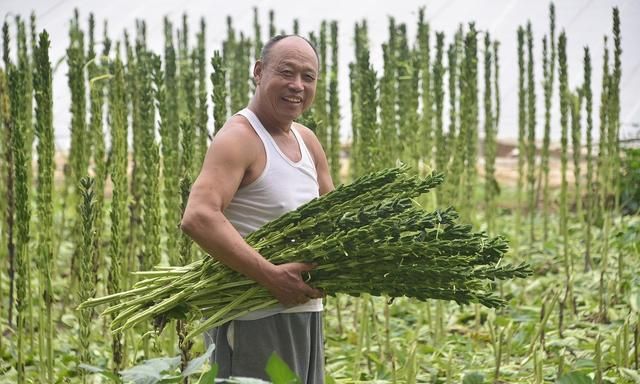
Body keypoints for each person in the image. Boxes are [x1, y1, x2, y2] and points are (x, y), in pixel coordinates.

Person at [180, 34, 334, 383]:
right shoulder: (240, 138)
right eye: (287, 72)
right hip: (251, 317)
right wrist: (271, 276)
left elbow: (332, 218)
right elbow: (199, 217)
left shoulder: (307, 140)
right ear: (259, 72)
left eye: (308, 77)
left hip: (303, 311)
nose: (297, 85)